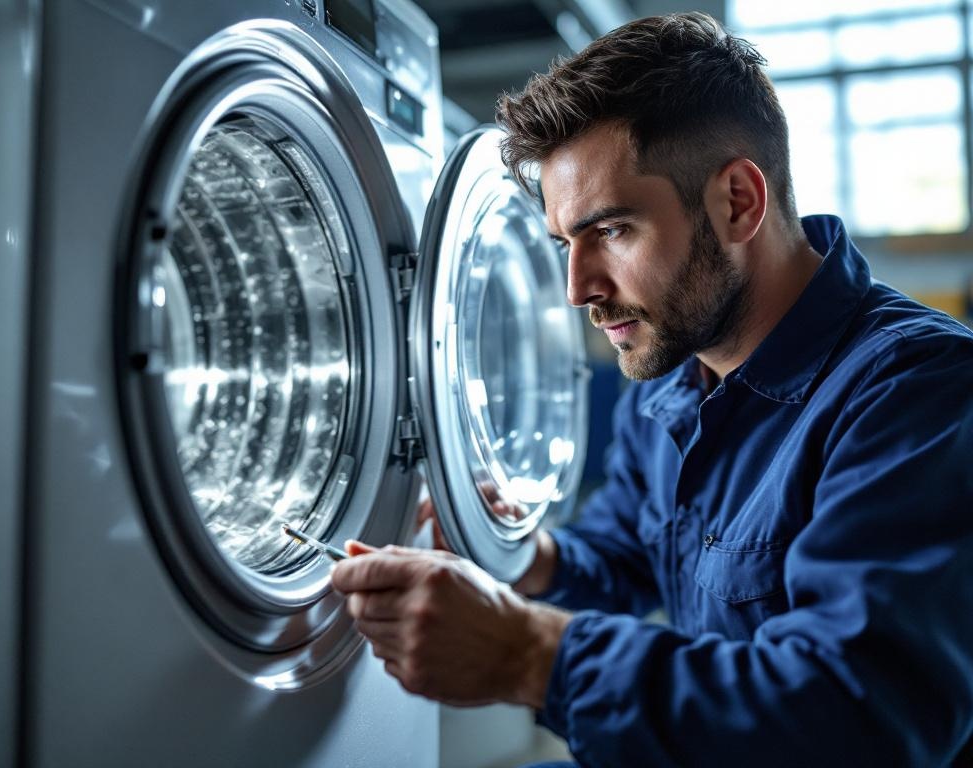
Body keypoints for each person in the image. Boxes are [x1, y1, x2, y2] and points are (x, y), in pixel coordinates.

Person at [331, 12, 973, 766]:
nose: (578, 289)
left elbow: (858, 713)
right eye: (565, 243)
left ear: (738, 201)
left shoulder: (917, 392)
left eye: (611, 231)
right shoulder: (672, 376)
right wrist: (533, 558)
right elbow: (628, 555)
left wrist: (529, 654)